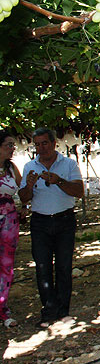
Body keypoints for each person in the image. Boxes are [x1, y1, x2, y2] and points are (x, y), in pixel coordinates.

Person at [18, 128, 84, 328]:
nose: (41, 148)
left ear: (54, 143)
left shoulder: (69, 164)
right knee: (42, 267)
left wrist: (59, 181)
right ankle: (49, 311)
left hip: (64, 221)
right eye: (37, 144)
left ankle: (63, 311)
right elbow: (23, 198)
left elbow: (79, 191)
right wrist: (29, 187)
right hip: (40, 222)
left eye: (44, 143)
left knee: (64, 266)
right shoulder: (30, 166)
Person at [0, 132, 25, 328]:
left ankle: (3, 308)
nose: (12, 148)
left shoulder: (11, 168)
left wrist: (24, 207)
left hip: (8, 221)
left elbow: (23, 190)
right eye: (9, 145)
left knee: (6, 266)